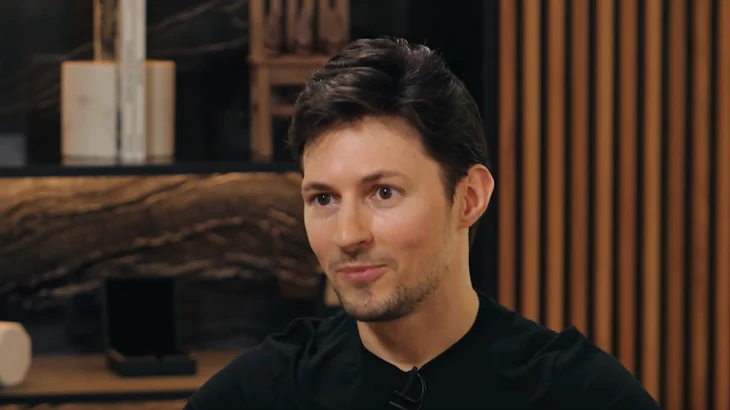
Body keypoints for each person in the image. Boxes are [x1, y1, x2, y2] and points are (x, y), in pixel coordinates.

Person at [183, 38, 660, 410]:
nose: (347, 235)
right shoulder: (259, 394)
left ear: (469, 198)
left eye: (383, 193)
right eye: (324, 198)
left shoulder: (581, 395)